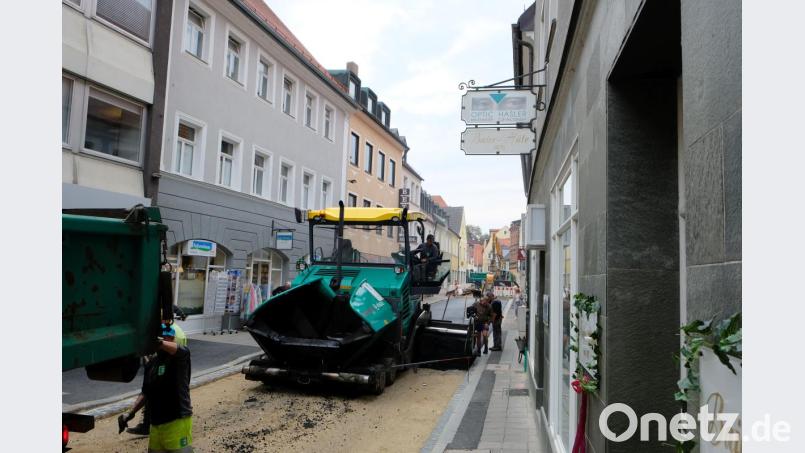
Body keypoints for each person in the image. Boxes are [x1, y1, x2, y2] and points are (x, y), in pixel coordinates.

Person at [119, 323, 193, 452]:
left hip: (177, 421)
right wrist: (130, 413)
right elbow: (146, 392)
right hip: (156, 424)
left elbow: (179, 350)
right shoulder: (152, 363)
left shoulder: (181, 358)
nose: (164, 340)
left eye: (167, 337)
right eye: (161, 337)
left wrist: (156, 341)